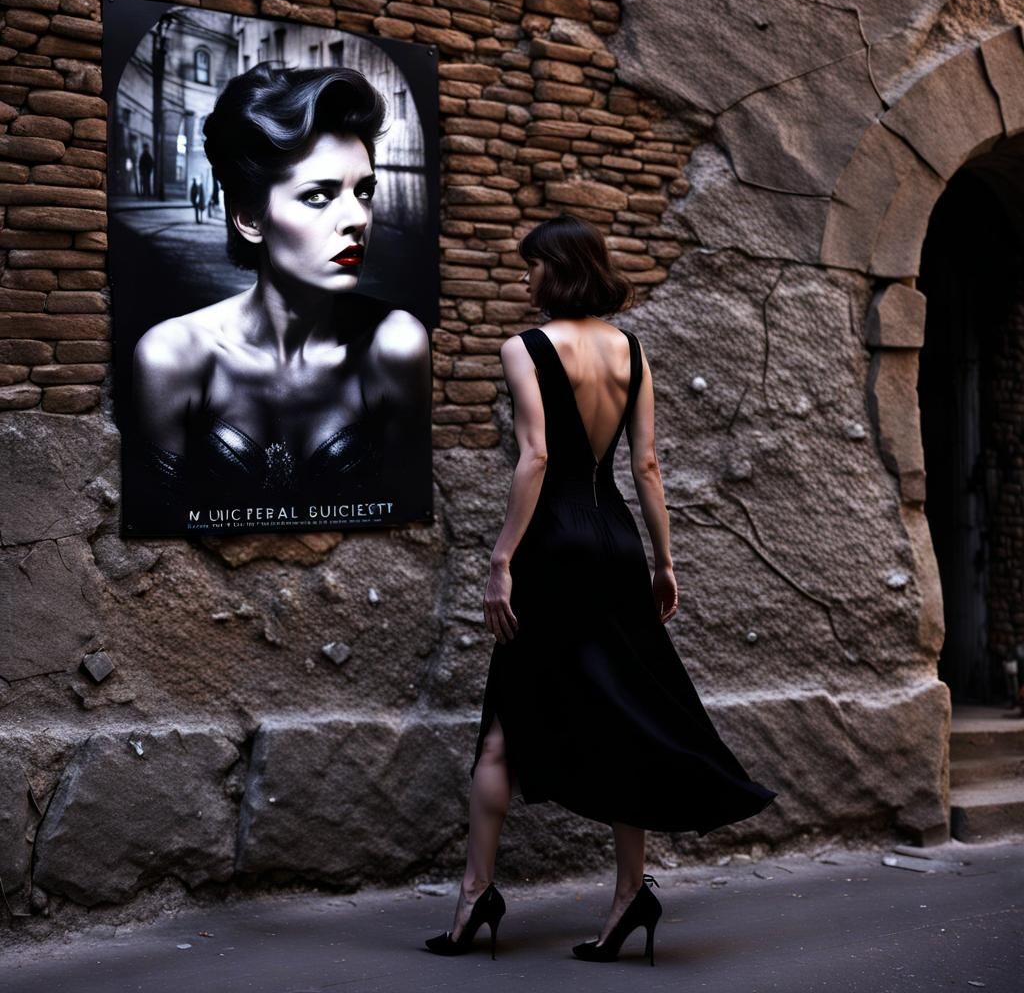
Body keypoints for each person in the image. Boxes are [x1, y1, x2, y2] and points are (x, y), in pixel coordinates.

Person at [425, 215, 777, 964]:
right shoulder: (632, 350)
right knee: (626, 714)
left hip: (552, 547)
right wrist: (664, 560)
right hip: (615, 542)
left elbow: (536, 455)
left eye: (531, 269)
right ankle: (629, 896)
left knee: (500, 730)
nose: (524, 282)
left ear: (558, 270)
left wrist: (501, 559)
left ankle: (473, 899)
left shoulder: (523, 349)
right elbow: (646, 466)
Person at [130, 64, 430, 529]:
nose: (357, 218)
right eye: (318, 196)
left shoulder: (395, 346)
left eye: (364, 190)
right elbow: (154, 534)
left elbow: (407, 521)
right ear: (250, 218)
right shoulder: (174, 356)